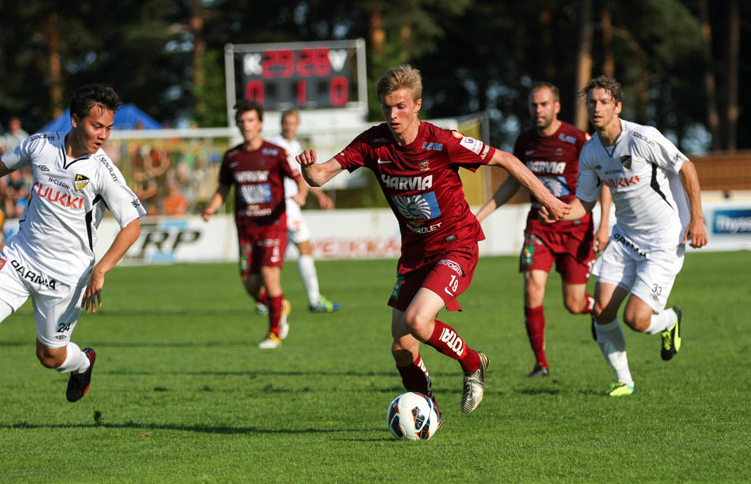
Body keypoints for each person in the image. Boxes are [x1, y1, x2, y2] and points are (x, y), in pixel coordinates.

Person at [296, 64, 570, 418]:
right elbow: (319, 176)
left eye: (401, 107)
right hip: (415, 253)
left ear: (417, 105)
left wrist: (546, 198)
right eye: (387, 107)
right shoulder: (372, 142)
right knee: (402, 348)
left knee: (418, 321)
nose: (393, 115)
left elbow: (504, 159)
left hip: (456, 244)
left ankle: (473, 363)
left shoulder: (442, 141)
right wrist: (307, 166)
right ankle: (430, 409)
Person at [0, 84, 146, 440]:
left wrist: (100, 269)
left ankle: (83, 362)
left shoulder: (102, 170)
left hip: (67, 276)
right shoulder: (40, 144)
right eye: (96, 126)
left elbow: (132, 225)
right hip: (20, 257)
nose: (103, 135)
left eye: (108, 129)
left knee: (50, 357)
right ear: (75, 120)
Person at [540, 75, 708, 397]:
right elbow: (584, 203)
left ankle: (670, 320)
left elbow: (687, 168)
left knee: (635, 318)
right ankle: (623, 381)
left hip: (662, 240)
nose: (597, 107)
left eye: (604, 102)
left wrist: (696, 220)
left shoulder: (642, 137)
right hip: (625, 238)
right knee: (601, 310)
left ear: (618, 106)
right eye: (592, 102)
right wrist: (559, 212)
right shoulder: (590, 152)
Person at [475, 82, 611, 378]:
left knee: (573, 304)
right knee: (532, 288)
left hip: (576, 229)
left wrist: (603, 226)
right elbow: (513, 181)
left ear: (557, 106)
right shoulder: (525, 142)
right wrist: (480, 216)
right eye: (534, 105)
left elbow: (604, 180)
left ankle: (597, 308)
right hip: (539, 227)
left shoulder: (577, 139)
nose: (539, 110)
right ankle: (541, 364)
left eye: (544, 104)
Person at [202, 100, 308, 349]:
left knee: (271, 276)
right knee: (249, 282)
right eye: (242, 121)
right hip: (245, 227)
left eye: (250, 120)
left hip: (273, 225)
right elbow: (224, 187)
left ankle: (273, 334)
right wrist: (211, 207)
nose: (246, 125)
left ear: (259, 124)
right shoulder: (232, 157)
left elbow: (298, 177)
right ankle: (279, 307)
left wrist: (302, 194)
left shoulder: (275, 153)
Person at [268, 108, 340, 313]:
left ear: (297, 125)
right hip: (286, 206)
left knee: (277, 252)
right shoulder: (274, 146)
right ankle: (314, 299)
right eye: (285, 122)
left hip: (292, 206)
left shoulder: (295, 145)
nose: (289, 126)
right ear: (280, 123)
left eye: (292, 123)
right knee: (303, 249)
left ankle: (265, 300)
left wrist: (320, 195)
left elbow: (301, 178)